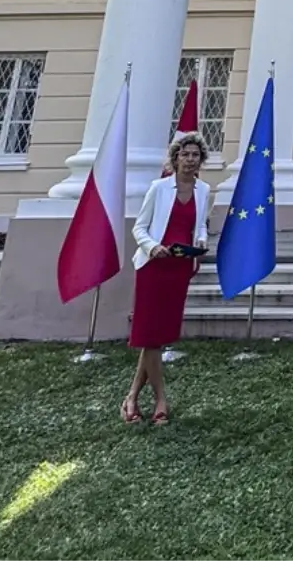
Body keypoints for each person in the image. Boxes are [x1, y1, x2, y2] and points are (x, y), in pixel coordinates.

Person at [122, 132, 211, 425]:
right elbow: (140, 228)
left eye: (195, 155)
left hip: (180, 267)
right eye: (185, 155)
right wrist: (153, 247)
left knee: (156, 338)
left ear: (201, 160)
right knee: (151, 336)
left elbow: (199, 227)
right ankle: (161, 399)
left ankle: (132, 397)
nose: (189, 160)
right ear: (175, 158)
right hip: (153, 267)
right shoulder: (158, 188)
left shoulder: (203, 190)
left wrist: (200, 241)